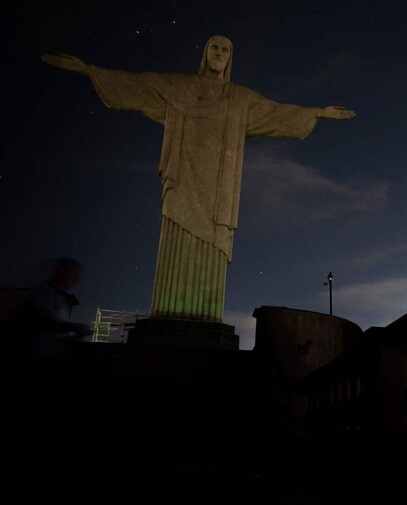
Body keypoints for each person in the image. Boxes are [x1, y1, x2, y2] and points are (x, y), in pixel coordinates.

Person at [41, 35, 356, 323]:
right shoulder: (180, 87)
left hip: (217, 190)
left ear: (230, 59)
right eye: (214, 48)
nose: (219, 53)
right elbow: (138, 85)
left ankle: (204, 319)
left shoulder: (240, 99)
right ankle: (167, 315)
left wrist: (316, 113)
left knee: (212, 247)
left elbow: (276, 112)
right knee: (176, 237)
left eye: (225, 50)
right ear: (205, 54)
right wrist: (88, 70)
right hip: (183, 179)